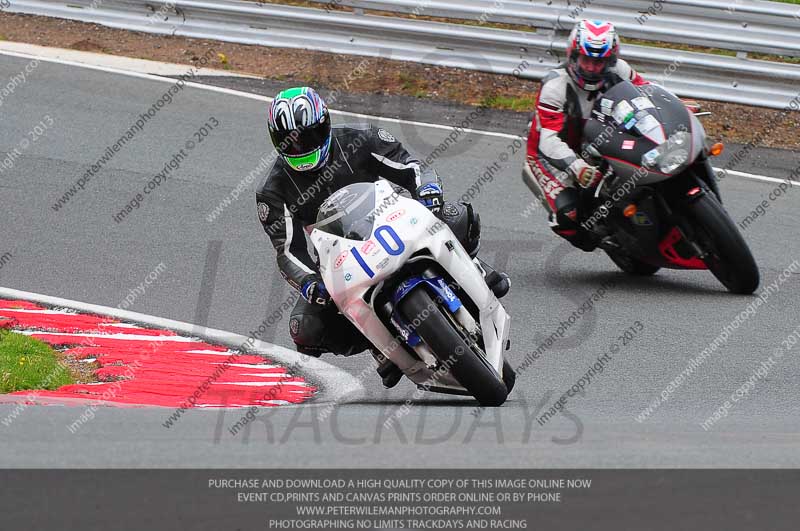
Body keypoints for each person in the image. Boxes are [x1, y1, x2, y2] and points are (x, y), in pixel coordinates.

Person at [256, 87, 509, 388]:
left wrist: (428, 189)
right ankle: (379, 344)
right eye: (290, 141)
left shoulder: (361, 138)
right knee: (305, 328)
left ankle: (475, 269)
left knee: (454, 215)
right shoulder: (272, 191)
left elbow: (412, 167)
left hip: (390, 221)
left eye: (308, 136)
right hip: (341, 259)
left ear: (325, 124)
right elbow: (288, 251)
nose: (301, 147)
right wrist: (309, 282)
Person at [523, 20, 649, 251]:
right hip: (552, 156)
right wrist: (577, 167)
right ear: (573, 57)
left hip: (601, 142)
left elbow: (647, 94)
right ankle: (595, 236)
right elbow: (548, 141)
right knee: (569, 215)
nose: (591, 68)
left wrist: (677, 106)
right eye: (586, 60)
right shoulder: (555, 85)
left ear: (610, 61)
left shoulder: (620, 70)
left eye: (599, 62)